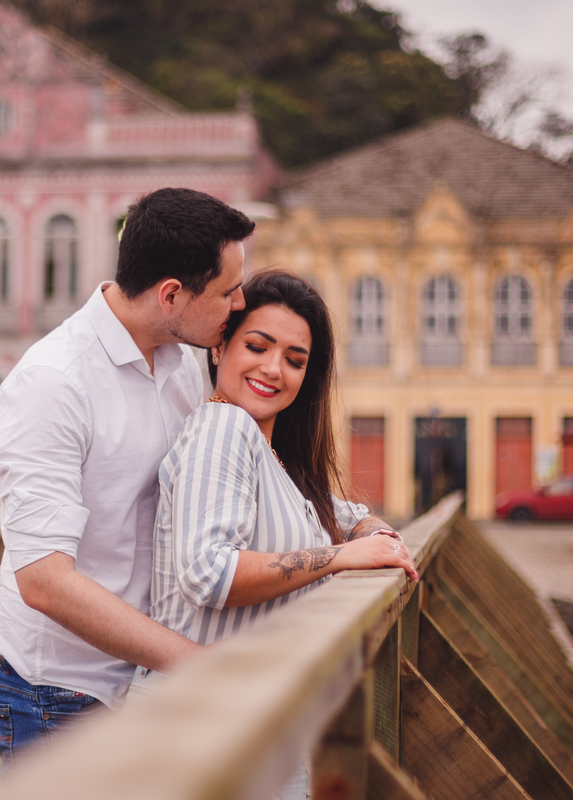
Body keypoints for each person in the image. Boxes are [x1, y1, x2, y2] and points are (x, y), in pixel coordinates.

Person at [0, 187, 255, 773]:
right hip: (57, 692)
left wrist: (353, 525)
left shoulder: (182, 357)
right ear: (171, 294)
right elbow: (45, 582)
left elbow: (236, 473)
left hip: (144, 678)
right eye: (228, 290)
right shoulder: (52, 385)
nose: (240, 303)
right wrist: (199, 663)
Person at [143, 270, 417, 798]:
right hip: (204, 729)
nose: (274, 369)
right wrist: (340, 557)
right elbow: (210, 573)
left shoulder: (272, 458)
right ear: (220, 347)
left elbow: (338, 511)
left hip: (248, 722)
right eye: (258, 345)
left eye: (295, 360)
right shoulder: (224, 429)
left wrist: (370, 529)